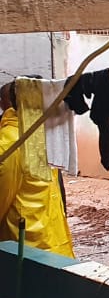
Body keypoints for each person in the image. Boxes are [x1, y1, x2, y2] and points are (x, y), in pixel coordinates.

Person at [0, 80, 74, 257]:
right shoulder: (45, 135)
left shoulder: (10, 142)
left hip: (24, 250)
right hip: (54, 244)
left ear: (6, 104)